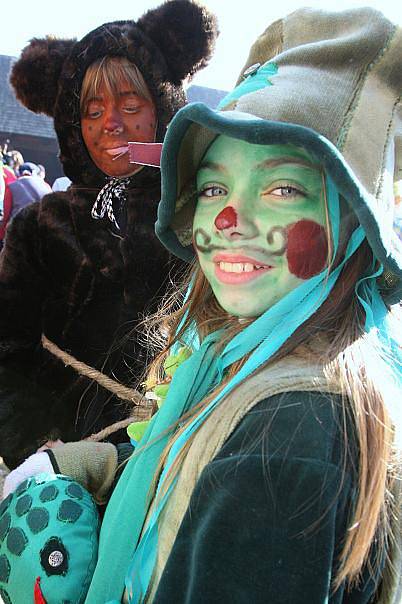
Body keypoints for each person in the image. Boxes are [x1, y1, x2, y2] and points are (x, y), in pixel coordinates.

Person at [2, 6, 402, 604]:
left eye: (283, 187)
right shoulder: (235, 351)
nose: (229, 220)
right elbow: (192, 447)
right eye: (213, 186)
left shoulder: (287, 444)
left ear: (353, 218)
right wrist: (73, 455)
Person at [0, 0, 218, 470]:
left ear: (161, 109)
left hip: (173, 458)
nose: (110, 124)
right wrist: (41, 444)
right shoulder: (39, 228)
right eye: (92, 110)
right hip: (58, 466)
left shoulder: (200, 216)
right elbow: (6, 351)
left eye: (130, 105)